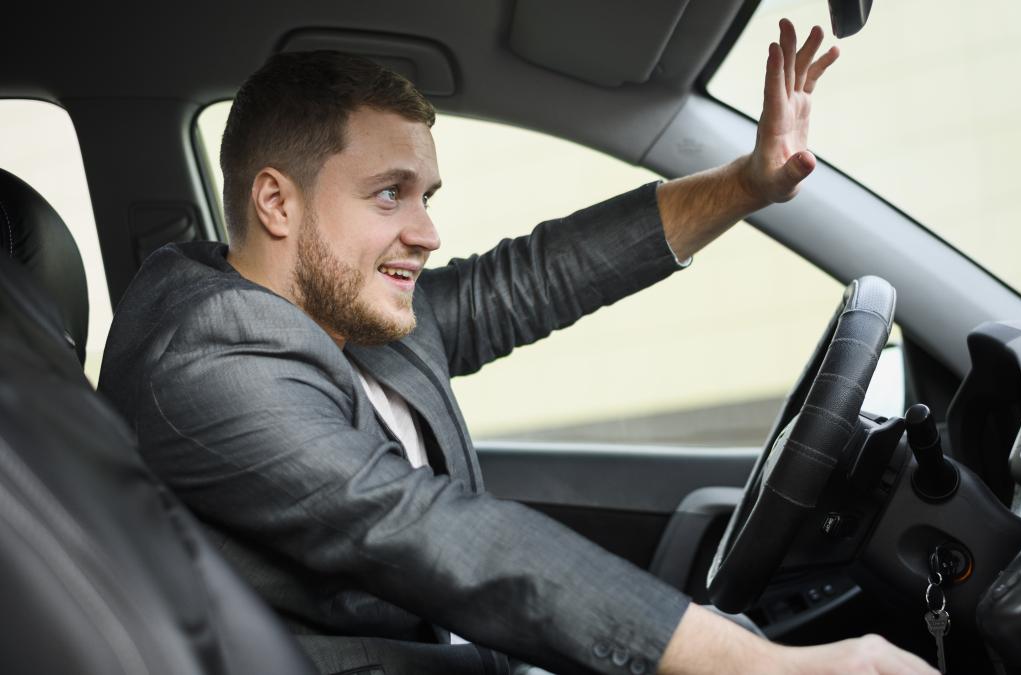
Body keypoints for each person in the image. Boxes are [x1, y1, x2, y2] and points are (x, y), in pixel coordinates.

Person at [99, 19, 937, 675]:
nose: (427, 232)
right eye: (390, 194)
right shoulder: (208, 359)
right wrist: (752, 662)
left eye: (425, 195)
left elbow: (531, 280)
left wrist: (747, 183)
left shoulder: (333, 303)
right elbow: (426, 529)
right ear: (278, 204)